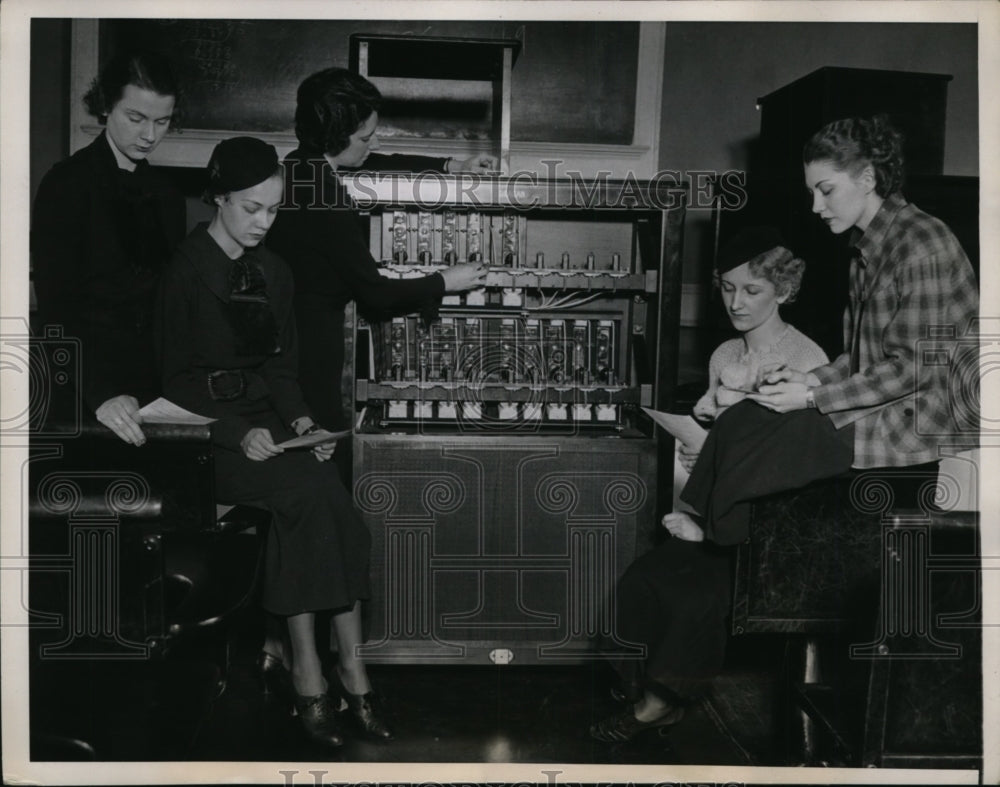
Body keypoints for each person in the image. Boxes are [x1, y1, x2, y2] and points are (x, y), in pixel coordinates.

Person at [156, 137, 388, 748]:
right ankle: (317, 674)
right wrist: (237, 432)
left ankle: (340, 667)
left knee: (334, 499)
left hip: (271, 428)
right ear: (219, 198)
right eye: (251, 208)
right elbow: (174, 380)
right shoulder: (182, 270)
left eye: (273, 209)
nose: (264, 222)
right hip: (207, 440)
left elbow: (282, 372)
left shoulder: (275, 271)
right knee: (309, 501)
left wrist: (305, 424)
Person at [591, 228, 828, 740]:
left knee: (695, 597)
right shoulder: (723, 356)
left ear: (783, 292)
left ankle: (656, 706)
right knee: (644, 577)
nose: (735, 302)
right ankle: (649, 691)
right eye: (726, 288)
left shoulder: (810, 362)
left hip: (769, 528)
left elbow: (797, 465)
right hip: (717, 506)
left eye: (752, 291)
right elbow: (724, 441)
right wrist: (701, 445)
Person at [266, 67, 490, 434]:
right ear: (337, 137)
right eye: (365, 137)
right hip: (311, 351)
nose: (373, 144)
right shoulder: (324, 196)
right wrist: (444, 281)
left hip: (290, 345)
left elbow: (377, 161)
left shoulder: (299, 165)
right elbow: (375, 294)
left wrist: (452, 166)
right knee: (322, 450)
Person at [32, 51, 183, 444]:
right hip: (85, 391)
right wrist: (101, 394)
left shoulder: (166, 195)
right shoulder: (65, 184)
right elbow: (54, 309)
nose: (149, 135)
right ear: (105, 107)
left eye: (162, 121)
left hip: (151, 389)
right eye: (136, 119)